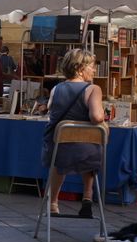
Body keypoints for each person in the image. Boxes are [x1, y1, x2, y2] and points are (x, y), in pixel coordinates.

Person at [41, 49, 105, 218]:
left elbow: (50, 108)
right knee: (91, 146)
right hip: (85, 151)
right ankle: (87, 197)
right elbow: (97, 117)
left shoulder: (56, 89)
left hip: (57, 149)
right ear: (79, 68)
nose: (94, 70)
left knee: (60, 160)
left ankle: (53, 202)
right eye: (91, 66)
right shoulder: (93, 89)